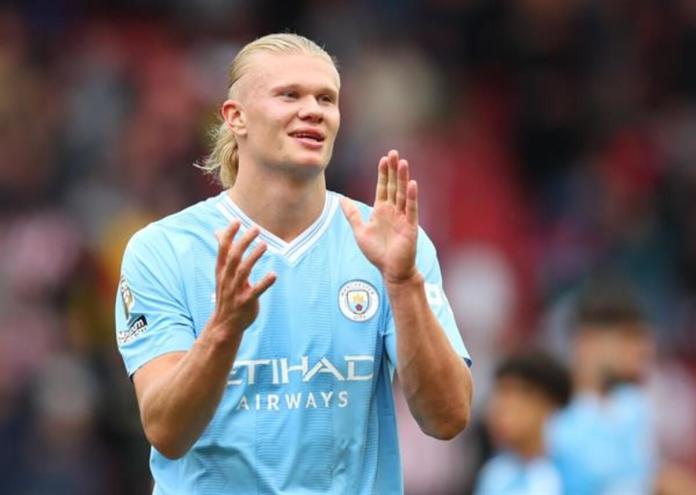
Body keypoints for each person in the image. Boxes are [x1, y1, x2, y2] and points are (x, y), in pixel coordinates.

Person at [114, 33, 473, 494]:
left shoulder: (389, 243)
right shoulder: (163, 249)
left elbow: (448, 418)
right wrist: (224, 330)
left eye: (327, 98)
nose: (314, 110)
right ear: (235, 117)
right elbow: (166, 430)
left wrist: (402, 283)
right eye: (290, 95)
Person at [547, 279, 658, 495]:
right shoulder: (552, 418)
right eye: (629, 336)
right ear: (587, 340)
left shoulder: (636, 407)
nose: (643, 349)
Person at [474, 350, 571, 495]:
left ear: (548, 402)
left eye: (512, 394)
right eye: (498, 394)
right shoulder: (494, 475)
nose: (498, 407)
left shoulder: (578, 469)